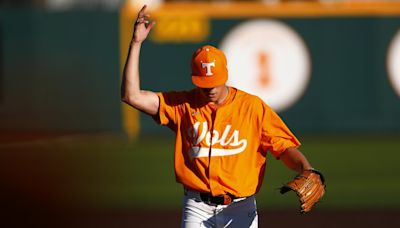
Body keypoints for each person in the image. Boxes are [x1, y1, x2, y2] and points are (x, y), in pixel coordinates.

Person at [121, 5, 324, 228]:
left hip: (240, 208)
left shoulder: (251, 107)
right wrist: (136, 43)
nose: (210, 89)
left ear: (225, 75)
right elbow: (131, 96)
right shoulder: (183, 105)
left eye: (214, 82)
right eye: (203, 83)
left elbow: (284, 148)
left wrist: (306, 168)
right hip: (196, 205)